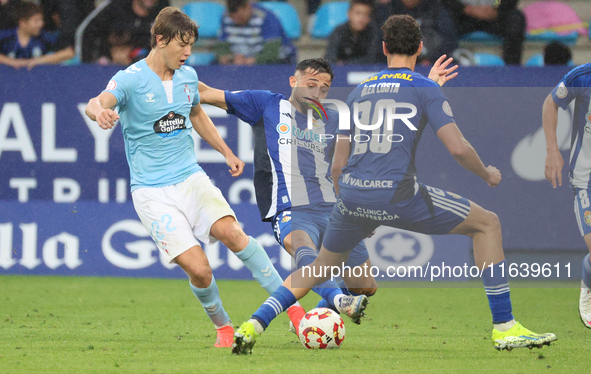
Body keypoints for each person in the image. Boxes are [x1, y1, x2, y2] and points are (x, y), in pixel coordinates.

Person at [231, 14, 557, 355]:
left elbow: (339, 163)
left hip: (353, 195)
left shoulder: (358, 93)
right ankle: (505, 328)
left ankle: (253, 324)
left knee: (318, 270)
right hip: (398, 193)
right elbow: (458, 148)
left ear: (384, 47)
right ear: (420, 47)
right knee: (487, 224)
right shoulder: (423, 88)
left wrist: (358, 210)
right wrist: (486, 173)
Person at [84, 7, 302, 348]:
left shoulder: (186, 76)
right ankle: (224, 327)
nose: (188, 52)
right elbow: (96, 102)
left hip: (190, 177)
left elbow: (197, 111)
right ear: (160, 39)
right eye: (182, 45)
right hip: (152, 192)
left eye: (191, 45)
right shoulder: (130, 79)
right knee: (200, 270)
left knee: (233, 234)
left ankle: (294, 312)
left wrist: (225, 151)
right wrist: (101, 113)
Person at [198, 59, 380, 335]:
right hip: (291, 205)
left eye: (324, 88)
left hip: (331, 208)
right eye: (311, 84)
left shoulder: (331, 122)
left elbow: (344, 169)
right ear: (294, 82)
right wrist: (168, 73)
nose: (317, 92)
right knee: (302, 248)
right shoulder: (267, 104)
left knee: (365, 285)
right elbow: (205, 92)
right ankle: (338, 300)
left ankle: (319, 316)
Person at [543, 63, 591, 329]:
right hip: (587, 179)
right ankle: (588, 287)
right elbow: (550, 103)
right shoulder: (583, 77)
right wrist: (552, 150)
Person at [81, 0, 169, 64]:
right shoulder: (115, 8)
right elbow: (87, 32)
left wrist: (132, 54)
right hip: (106, 68)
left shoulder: (164, 14)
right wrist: (96, 60)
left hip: (144, 72)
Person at [441, 0, 525, 65]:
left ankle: (511, 68)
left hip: (494, 16)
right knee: (442, 20)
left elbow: (506, 2)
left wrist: (497, 9)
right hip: (463, 16)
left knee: (516, 18)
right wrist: (465, 9)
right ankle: (445, 64)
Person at [215, 0, 296, 65]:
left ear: (247, 6)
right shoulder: (226, 18)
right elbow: (222, 47)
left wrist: (251, 61)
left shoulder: (267, 17)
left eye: (240, 17)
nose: (237, 21)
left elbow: (272, 52)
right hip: (239, 63)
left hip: (270, 63)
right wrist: (229, 58)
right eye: (233, 18)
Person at [0, 1, 75, 69]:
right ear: (22, 23)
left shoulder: (45, 37)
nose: (41, 24)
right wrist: (11, 62)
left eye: (41, 20)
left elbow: (68, 53)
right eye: (36, 21)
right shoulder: (6, 37)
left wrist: (37, 61)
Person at [325, 0, 382, 65]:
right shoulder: (339, 31)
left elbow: (372, 58)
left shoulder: (374, 32)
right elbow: (330, 56)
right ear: (349, 13)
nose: (361, 19)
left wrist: (346, 64)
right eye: (358, 13)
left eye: (366, 14)